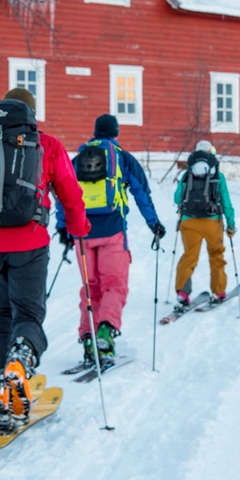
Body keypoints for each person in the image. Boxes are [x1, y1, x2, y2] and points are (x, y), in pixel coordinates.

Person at [0, 88, 90, 421]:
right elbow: (70, 192)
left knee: (0, 310)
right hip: (30, 243)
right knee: (28, 314)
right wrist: (78, 227)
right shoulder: (45, 144)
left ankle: (1, 380)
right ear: (32, 115)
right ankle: (19, 366)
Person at [55, 113, 166, 363]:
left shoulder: (76, 160)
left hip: (82, 234)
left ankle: (87, 339)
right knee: (114, 284)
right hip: (113, 231)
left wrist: (63, 227)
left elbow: (63, 191)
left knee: (90, 289)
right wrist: (154, 224)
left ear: (95, 132)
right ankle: (105, 332)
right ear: (115, 133)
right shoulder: (122, 158)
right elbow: (141, 192)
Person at [173, 140, 237, 305]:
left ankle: (182, 292)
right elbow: (226, 202)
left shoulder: (187, 175)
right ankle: (218, 292)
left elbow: (177, 198)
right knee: (216, 255)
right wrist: (231, 224)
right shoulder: (218, 176)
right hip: (212, 222)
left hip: (189, 221)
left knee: (189, 256)